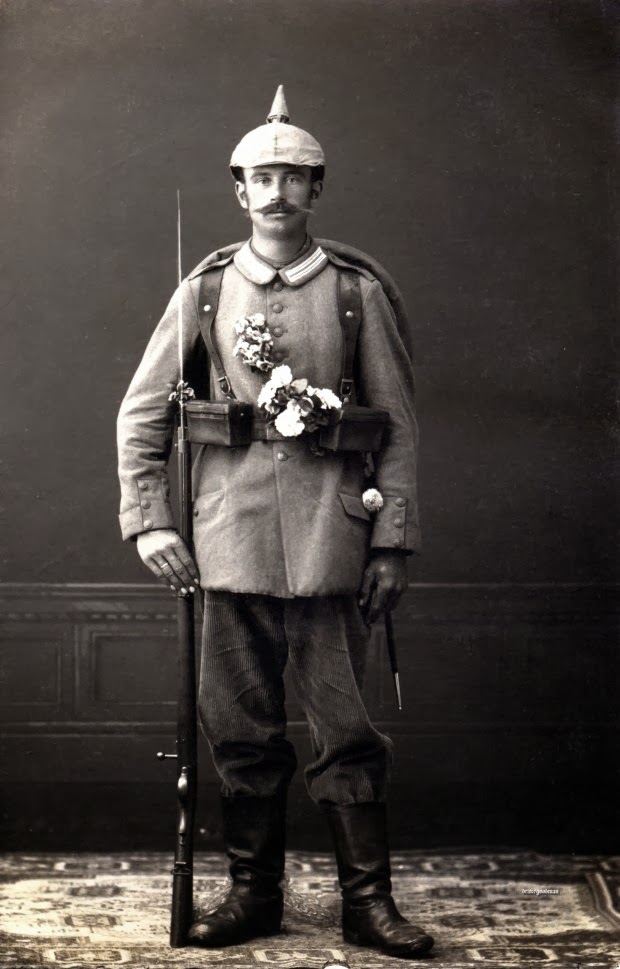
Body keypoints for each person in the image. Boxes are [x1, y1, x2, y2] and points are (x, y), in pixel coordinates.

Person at [117, 86, 433, 959]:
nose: (278, 191)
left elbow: (398, 425)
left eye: (295, 177)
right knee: (240, 730)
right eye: (262, 176)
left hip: (336, 543)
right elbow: (142, 414)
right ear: (239, 189)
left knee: (347, 731)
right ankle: (252, 894)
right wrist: (149, 523)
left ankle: (368, 903)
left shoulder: (354, 294)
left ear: (317, 189)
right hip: (226, 543)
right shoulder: (207, 287)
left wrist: (393, 539)